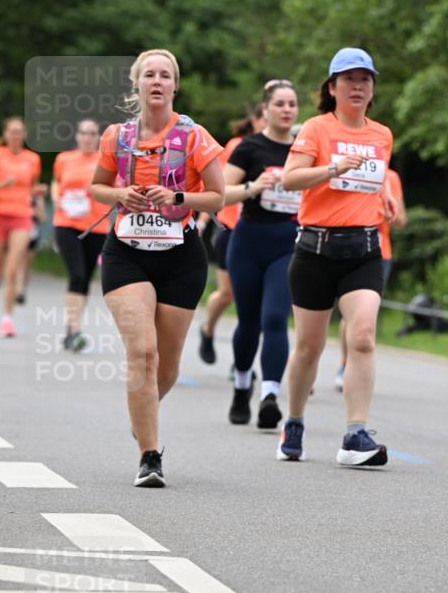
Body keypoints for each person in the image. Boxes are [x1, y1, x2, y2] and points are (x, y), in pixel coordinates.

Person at [90, 49, 224, 487]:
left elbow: (218, 197)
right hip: (126, 253)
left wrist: (178, 197)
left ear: (174, 86)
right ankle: (149, 455)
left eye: (165, 75)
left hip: (181, 257)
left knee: (166, 367)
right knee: (142, 353)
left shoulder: (194, 136)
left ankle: (143, 411)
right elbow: (97, 187)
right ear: (137, 83)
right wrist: (119, 195)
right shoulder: (118, 136)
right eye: (149, 74)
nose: (157, 81)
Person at [278, 47, 396, 465]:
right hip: (316, 250)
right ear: (332, 87)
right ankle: (294, 420)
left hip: (364, 250)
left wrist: (385, 194)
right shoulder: (316, 129)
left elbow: (374, 175)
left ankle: (355, 434)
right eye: (349, 79)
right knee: (308, 347)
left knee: (361, 336)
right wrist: (333, 168)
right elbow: (290, 179)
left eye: (365, 80)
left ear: (372, 89)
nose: (358, 87)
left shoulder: (382, 134)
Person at [224, 80, 300, 428]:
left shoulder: (304, 150)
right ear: (265, 109)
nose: (286, 110)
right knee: (249, 323)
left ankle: (269, 395)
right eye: (279, 104)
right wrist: (253, 187)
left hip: (287, 244)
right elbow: (220, 192)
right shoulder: (249, 147)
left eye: (292, 104)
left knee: (274, 318)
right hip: (248, 243)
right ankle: (242, 385)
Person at [198, 103, 265, 366]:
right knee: (228, 293)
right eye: (264, 118)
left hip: (263, 232)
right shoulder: (238, 146)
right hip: (231, 228)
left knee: (257, 301)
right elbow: (218, 188)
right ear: (255, 121)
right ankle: (207, 329)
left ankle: (243, 361)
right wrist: (203, 220)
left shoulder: (285, 149)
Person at [335, 165, 406, 390]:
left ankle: (358, 368)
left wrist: (386, 212)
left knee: (365, 315)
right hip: (346, 248)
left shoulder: (391, 176)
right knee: (349, 315)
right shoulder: (346, 165)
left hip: (379, 253)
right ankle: (345, 364)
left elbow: (402, 220)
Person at [51, 119, 109, 350]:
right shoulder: (64, 159)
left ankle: (71, 328)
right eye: (83, 133)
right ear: (77, 136)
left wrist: (94, 189)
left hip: (96, 226)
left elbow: (114, 189)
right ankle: (75, 330)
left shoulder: (105, 161)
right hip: (66, 223)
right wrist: (56, 197)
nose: (87, 137)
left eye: (92, 133)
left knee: (85, 278)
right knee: (76, 274)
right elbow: (56, 182)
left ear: (98, 137)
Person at [0, 117, 44, 337]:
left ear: (24, 135)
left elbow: (32, 187)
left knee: (12, 269)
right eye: (12, 131)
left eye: (19, 132)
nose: (15, 135)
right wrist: (1, 185)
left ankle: (7, 319)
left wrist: (38, 192)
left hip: (22, 217)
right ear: (5, 134)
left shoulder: (32, 159)